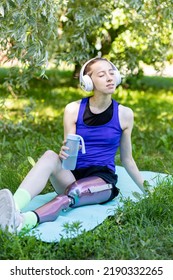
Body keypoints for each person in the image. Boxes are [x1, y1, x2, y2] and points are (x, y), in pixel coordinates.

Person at [0, 57, 145, 234]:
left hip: (101, 182)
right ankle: (11, 207)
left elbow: (127, 159)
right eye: (101, 74)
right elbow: (70, 156)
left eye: (112, 72)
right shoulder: (73, 109)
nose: (109, 78)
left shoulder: (125, 114)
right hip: (73, 176)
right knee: (49, 156)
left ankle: (23, 221)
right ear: (88, 82)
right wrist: (64, 154)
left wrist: (148, 189)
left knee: (75, 191)